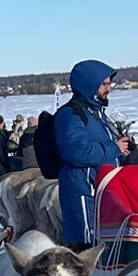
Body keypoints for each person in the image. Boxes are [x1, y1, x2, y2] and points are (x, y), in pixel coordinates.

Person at [56, 60, 128, 249]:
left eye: (109, 83)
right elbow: (76, 151)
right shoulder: (71, 115)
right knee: (90, 253)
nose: (109, 89)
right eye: (104, 84)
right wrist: (114, 148)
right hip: (85, 195)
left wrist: (124, 151)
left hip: (102, 194)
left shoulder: (95, 113)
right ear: (89, 85)